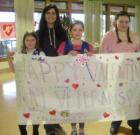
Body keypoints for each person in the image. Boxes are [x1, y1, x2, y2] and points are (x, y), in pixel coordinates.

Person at [99, 11, 140, 135]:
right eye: (121, 21)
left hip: (132, 76)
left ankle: (134, 125)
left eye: (126, 22)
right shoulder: (108, 36)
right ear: (116, 22)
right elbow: (102, 55)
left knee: (134, 100)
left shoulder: (134, 35)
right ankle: (115, 124)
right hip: (115, 76)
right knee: (116, 101)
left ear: (129, 23)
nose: (124, 24)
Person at [57, 20, 94, 135]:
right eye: (75, 30)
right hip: (68, 81)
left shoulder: (88, 46)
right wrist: (67, 56)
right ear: (70, 31)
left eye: (80, 29)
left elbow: (93, 65)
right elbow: (58, 63)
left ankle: (82, 129)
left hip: (83, 81)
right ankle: (73, 129)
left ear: (83, 31)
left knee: (82, 105)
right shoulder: (64, 45)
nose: (77, 32)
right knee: (72, 105)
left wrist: (91, 57)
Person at [37, 4, 68, 135]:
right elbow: (33, 50)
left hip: (60, 71)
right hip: (45, 72)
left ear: (57, 16)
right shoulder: (38, 33)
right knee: (47, 98)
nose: (51, 15)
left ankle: (55, 123)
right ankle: (49, 128)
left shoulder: (62, 32)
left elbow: (67, 48)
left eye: (53, 13)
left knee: (57, 97)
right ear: (44, 16)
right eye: (48, 13)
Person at [8, 32, 44, 135]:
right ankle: (23, 132)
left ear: (36, 41)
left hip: (36, 89)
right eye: (27, 40)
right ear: (24, 42)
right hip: (23, 89)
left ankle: (35, 131)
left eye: (32, 40)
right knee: (22, 111)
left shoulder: (40, 54)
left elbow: (45, 69)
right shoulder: (20, 54)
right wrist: (9, 57)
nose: (30, 42)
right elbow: (13, 70)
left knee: (35, 111)